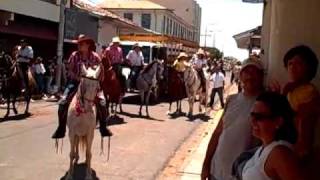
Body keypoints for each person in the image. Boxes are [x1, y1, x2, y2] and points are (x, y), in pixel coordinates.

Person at [201, 58, 264, 180]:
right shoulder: (231, 100)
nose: (250, 76)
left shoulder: (264, 103)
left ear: (261, 76)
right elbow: (217, 133)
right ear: (240, 76)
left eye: (254, 71)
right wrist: (206, 164)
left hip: (240, 174)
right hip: (216, 170)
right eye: (246, 72)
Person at [269, 45, 320, 179]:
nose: (292, 67)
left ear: (309, 68)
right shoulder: (292, 90)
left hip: (297, 155)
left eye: (299, 63)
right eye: (290, 63)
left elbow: (303, 128)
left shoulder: (308, 93)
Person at [51, 34, 112, 139]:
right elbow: (69, 70)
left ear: (88, 45)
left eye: (81, 44)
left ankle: (103, 127)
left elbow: (100, 71)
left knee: (102, 102)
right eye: (78, 44)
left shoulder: (95, 57)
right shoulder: (74, 55)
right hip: (75, 82)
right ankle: (61, 128)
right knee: (63, 101)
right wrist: (77, 78)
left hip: (92, 84)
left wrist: (98, 79)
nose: (79, 46)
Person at [241, 92, 304, 180]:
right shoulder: (265, 148)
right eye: (252, 115)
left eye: (259, 117)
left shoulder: (280, 154)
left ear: (278, 122)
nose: (253, 121)